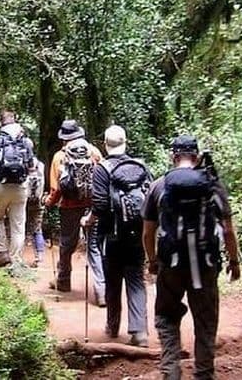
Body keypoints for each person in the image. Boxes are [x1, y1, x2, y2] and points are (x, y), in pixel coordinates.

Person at [142, 135, 242, 380]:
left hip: (171, 265)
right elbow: (227, 229)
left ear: (174, 157)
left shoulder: (159, 185)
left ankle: (171, 371)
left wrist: (152, 260)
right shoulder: (212, 185)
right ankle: (204, 374)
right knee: (206, 321)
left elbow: (147, 232)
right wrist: (233, 260)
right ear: (196, 157)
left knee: (166, 317)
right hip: (206, 264)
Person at [84, 125, 150, 347]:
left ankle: (113, 326)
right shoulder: (139, 166)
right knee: (136, 280)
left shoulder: (102, 168)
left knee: (112, 279)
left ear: (105, 144)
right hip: (138, 234)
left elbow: (101, 204)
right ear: (126, 142)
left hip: (110, 235)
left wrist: (89, 220)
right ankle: (139, 332)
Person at [44, 120, 105, 304]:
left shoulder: (59, 157)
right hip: (92, 205)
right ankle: (101, 291)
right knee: (94, 247)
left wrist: (49, 202)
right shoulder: (94, 152)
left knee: (66, 244)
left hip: (69, 206)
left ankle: (63, 280)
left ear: (64, 138)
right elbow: (102, 179)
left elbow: (56, 188)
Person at [0, 109, 36, 268]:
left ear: (1, 123)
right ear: (15, 121)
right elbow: (31, 165)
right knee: (18, 224)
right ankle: (16, 259)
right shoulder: (26, 141)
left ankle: (3, 253)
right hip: (20, 187)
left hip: (0, 186)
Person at [25, 150, 46, 267]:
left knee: (19, 228)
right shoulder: (41, 165)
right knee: (37, 229)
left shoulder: (23, 165)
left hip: (24, 202)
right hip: (38, 201)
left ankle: (17, 257)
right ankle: (39, 256)